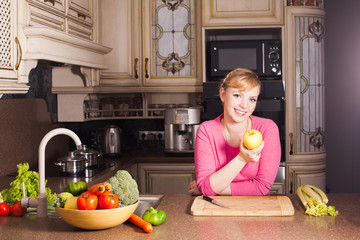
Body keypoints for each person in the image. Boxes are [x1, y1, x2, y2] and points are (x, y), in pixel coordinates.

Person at [188, 68, 281, 196]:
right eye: (237, 95)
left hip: (256, 209)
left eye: (252, 99)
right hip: (215, 210)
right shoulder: (206, 131)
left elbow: (262, 187)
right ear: (222, 94)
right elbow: (206, 187)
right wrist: (242, 159)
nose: (244, 105)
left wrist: (211, 188)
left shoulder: (267, 129)